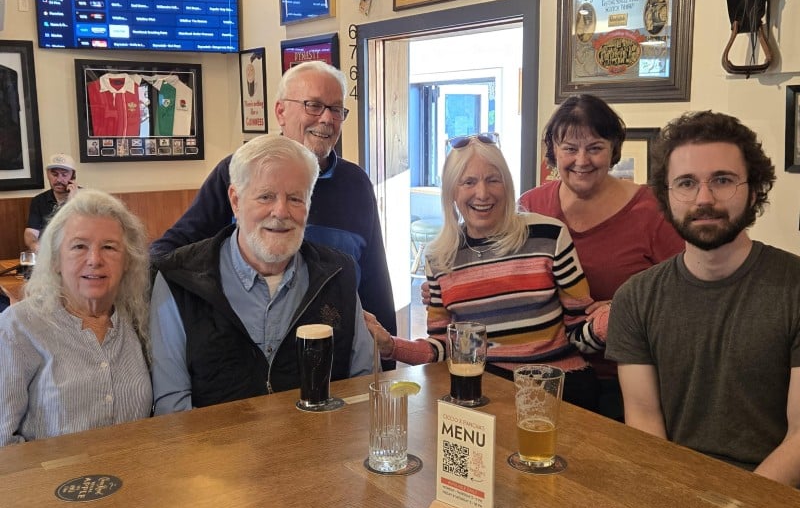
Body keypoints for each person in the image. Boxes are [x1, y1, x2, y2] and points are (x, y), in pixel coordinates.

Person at [150, 61, 397, 363]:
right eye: (313, 105)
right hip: (249, 355)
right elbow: (174, 251)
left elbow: (374, 279)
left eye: (336, 109)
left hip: (335, 356)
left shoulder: (355, 184)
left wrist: (387, 359)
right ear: (281, 112)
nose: (327, 119)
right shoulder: (240, 171)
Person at [606, 111, 800, 486]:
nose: (704, 199)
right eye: (687, 183)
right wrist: (679, 504)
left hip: (773, 496)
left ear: (754, 190)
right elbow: (644, 423)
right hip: (671, 486)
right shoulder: (635, 298)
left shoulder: (794, 288)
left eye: (722, 180)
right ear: (666, 196)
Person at [365, 134, 608, 409]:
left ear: (507, 185)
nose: (482, 193)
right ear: (452, 192)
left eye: (493, 180)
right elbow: (445, 348)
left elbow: (579, 332)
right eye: (468, 182)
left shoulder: (549, 235)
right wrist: (391, 346)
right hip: (483, 393)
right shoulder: (440, 257)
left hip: (557, 388)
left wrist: (614, 317)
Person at [149, 134, 375, 414]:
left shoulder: (339, 274)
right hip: (217, 443)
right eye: (266, 196)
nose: (281, 212)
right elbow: (173, 410)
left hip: (323, 440)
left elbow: (362, 388)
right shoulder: (178, 280)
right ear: (235, 201)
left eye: (295, 198)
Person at [518, 94, 683, 419]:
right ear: (553, 151)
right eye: (570, 148)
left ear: (613, 150)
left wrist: (626, 307)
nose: (582, 160)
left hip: (627, 382)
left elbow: (686, 290)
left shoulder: (653, 210)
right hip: (542, 375)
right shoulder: (530, 207)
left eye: (595, 148)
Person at [0, 189, 152, 445]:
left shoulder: (139, 320)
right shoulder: (17, 327)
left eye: (109, 247)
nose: (95, 260)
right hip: (48, 472)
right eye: (79, 246)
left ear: (127, 261)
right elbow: (2, 443)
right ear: (56, 260)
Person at [24, 153, 81, 252]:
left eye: (64, 174)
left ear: (73, 176)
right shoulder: (38, 201)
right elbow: (31, 232)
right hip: (48, 252)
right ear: (47, 174)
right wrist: (34, 244)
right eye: (54, 174)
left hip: (77, 252)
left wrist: (72, 202)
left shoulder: (86, 198)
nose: (59, 179)